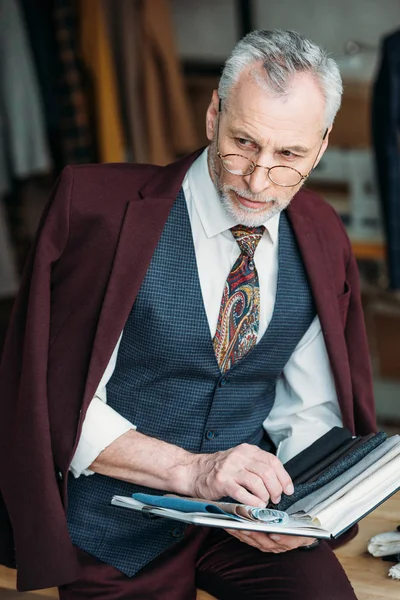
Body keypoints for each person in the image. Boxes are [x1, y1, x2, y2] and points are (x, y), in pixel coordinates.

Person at [0, 29, 376, 600]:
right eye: (244, 143)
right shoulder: (96, 209)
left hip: (245, 525)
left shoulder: (321, 232)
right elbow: (55, 401)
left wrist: (298, 509)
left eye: (289, 155)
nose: (258, 180)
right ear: (213, 115)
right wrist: (192, 471)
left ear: (320, 147)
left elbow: (310, 411)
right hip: (113, 526)